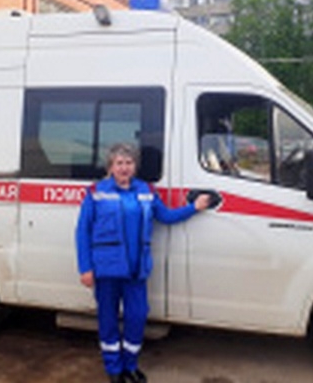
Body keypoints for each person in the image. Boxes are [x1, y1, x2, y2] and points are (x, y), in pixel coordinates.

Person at [76, 143, 211, 383]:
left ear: (135, 166)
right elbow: (82, 231)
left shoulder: (146, 190)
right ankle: (114, 370)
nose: (124, 168)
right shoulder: (96, 191)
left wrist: (194, 207)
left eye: (129, 163)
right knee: (108, 319)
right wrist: (85, 267)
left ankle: (130, 365)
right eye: (119, 163)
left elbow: (166, 216)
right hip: (106, 269)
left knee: (137, 317)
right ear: (111, 167)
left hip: (136, 269)